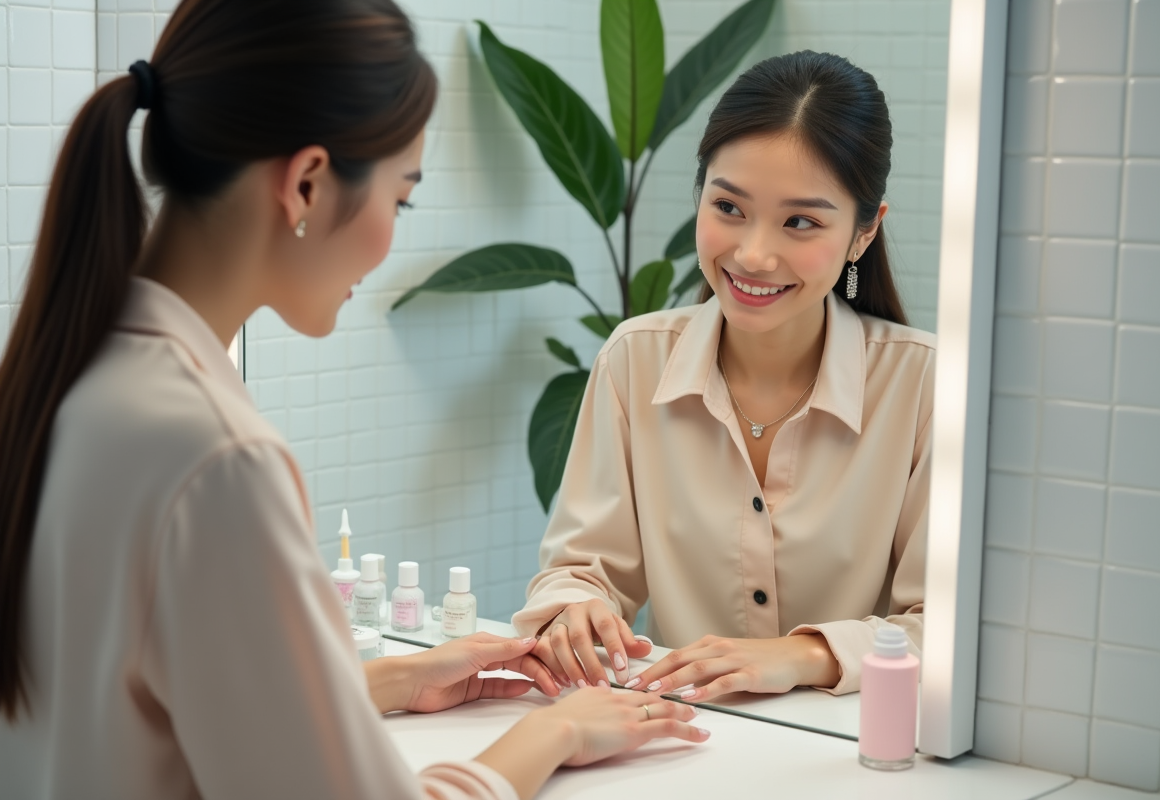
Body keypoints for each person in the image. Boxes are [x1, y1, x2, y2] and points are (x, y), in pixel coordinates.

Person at [0, 2, 707, 798]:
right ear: (306, 183)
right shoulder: (216, 457)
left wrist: (387, 680)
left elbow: (142, 711)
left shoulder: (65, 377)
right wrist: (553, 733)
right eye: (399, 199)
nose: (391, 236)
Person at [514, 50, 934, 703]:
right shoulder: (635, 361)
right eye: (729, 207)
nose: (753, 254)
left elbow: (944, 628)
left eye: (800, 222)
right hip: (679, 735)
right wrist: (574, 609)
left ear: (863, 233)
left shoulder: (924, 386)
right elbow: (579, 570)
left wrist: (803, 655)